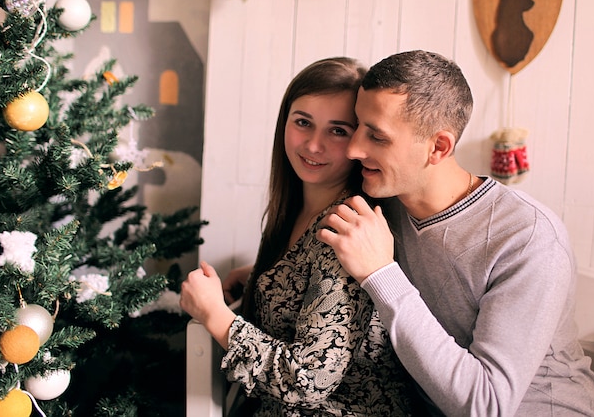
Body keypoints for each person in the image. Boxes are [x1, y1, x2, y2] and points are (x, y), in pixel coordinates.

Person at [316, 50, 594, 416]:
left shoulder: (527, 239)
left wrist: (380, 273)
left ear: (439, 147)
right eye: (357, 126)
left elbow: (486, 406)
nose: (354, 149)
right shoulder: (386, 203)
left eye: (377, 137)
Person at [180, 57, 420, 416]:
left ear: (359, 139)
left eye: (337, 130)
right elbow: (311, 279)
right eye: (303, 122)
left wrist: (215, 315)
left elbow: (307, 379)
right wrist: (262, 276)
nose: (312, 145)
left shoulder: (346, 230)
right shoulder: (297, 209)